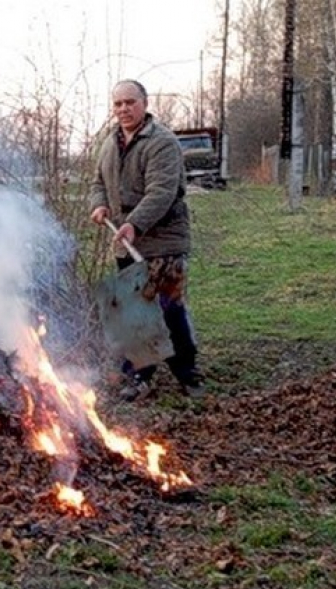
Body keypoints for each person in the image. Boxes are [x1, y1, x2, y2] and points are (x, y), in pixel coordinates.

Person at [89, 78, 205, 401]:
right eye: (118, 104)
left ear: (145, 103)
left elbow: (161, 193)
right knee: (133, 311)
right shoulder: (109, 144)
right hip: (126, 240)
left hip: (163, 240)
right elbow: (97, 183)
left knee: (167, 307)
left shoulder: (162, 142)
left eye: (130, 102)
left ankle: (188, 372)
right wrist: (98, 204)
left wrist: (135, 224)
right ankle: (139, 376)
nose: (124, 109)